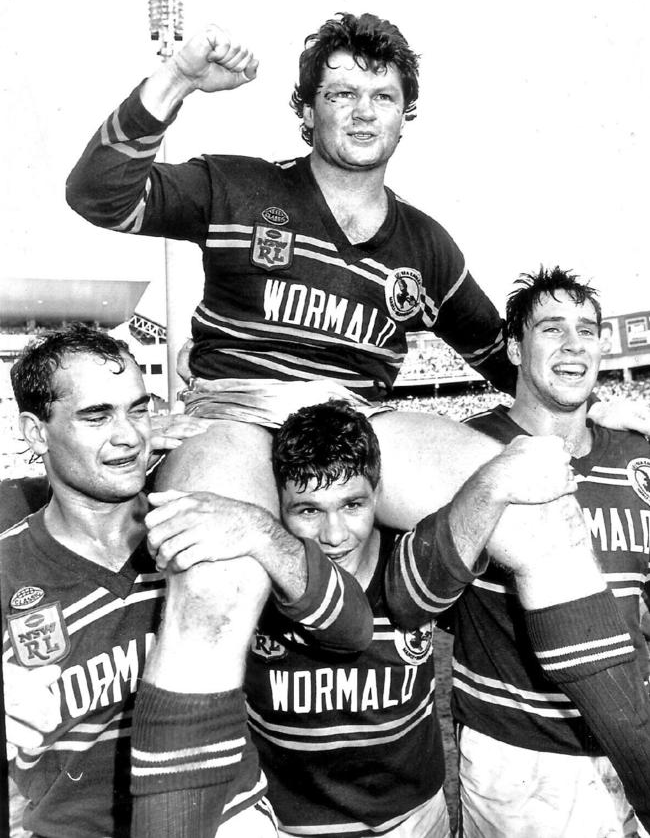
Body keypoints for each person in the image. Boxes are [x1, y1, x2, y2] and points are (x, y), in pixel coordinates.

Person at [64, 11, 650, 535]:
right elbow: (99, 195)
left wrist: (593, 406)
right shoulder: (237, 186)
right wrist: (179, 78)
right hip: (232, 417)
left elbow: (504, 355)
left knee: (535, 514)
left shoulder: (426, 246)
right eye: (342, 93)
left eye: (383, 96)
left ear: (404, 115)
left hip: (357, 428)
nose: (364, 112)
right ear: (307, 108)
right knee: (218, 572)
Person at [148, 399, 583, 837]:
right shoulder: (248, 577)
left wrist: (592, 415)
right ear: (277, 504)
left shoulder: (414, 558)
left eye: (352, 505)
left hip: (415, 820)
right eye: (309, 510)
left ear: (379, 494)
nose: (335, 535)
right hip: (293, 825)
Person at [1, 325, 371, 838]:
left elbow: (352, 630)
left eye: (138, 409)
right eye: (96, 416)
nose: (129, 436)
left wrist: (262, 534)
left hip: (228, 813)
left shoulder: (204, 512)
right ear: (35, 431)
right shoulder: (10, 559)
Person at [387, 267, 650, 837]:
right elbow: (413, 600)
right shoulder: (463, 452)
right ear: (513, 347)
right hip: (522, 761)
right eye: (552, 329)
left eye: (587, 328)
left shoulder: (636, 455)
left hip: (633, 738)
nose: (574, 343)